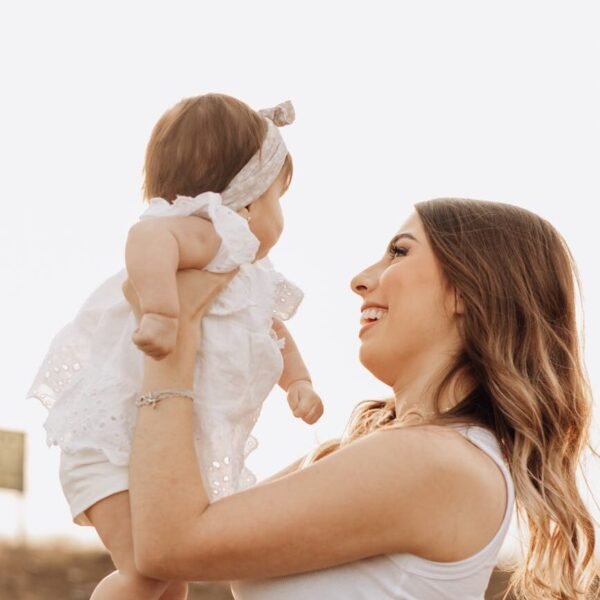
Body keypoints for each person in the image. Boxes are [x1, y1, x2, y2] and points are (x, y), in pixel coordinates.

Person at [123, 198, 599, 600]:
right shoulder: (396, 449)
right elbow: (182, 524)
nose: (360, 279)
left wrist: (172, 341)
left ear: (468, 291)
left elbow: (171, 542)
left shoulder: (430, 461)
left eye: (399, 252)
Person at [26, 93, 323, 600]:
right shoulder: (211, 232)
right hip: (114, 444)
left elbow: (274, 330)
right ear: (248, 199)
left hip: (163, 450)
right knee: (147, 571)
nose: (279, 215)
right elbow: (146, 241)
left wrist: (298, 381)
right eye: (279, 198)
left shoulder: (248, 275)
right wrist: (164, 311)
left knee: (170, 576)